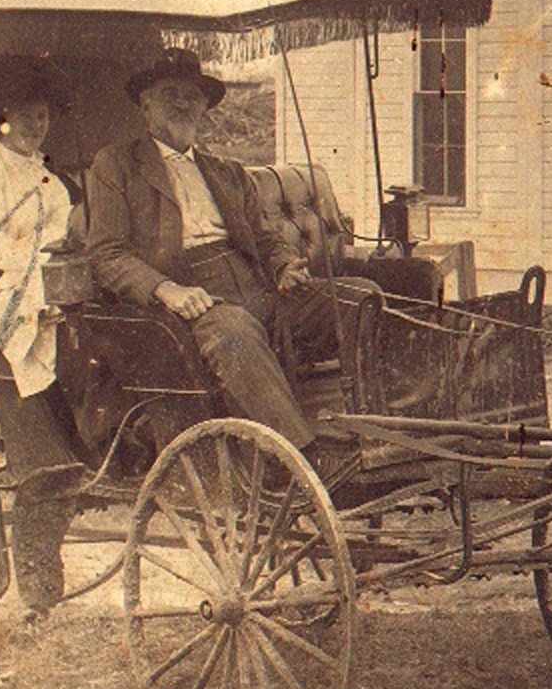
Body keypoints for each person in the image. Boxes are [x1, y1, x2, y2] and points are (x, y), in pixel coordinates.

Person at [85, 48, 361, 452]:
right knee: (234, 332)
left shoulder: (225, 171)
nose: (183, 103)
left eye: (192, 95)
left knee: (360, 299)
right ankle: (302, 457)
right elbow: (107, 254)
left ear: (204, 108)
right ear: (145, 105)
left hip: (256, 288)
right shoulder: (116, 165)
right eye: (169, 93)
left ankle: (377, 437)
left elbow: (265, 237)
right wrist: (167, 290)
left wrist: (284, 265)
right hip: (186, 304)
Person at [0, 63, 84, 621]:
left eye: (44, 116)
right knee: (41, 297)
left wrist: (67, 243)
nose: (37, 125)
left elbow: (65, 223)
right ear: (3, 119)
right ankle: (35, 592)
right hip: (6, 283)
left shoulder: (44, 174)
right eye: (27, 116)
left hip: (48, 271)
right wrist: (41, 253)